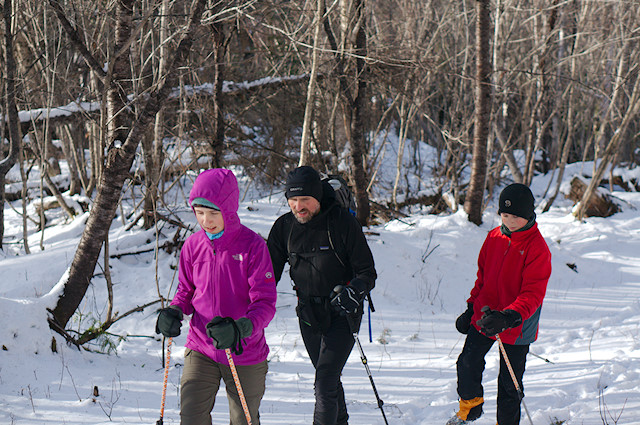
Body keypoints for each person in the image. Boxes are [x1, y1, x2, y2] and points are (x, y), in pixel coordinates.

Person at [155, 168, 277, 425]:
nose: (206, 220)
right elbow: (186, 292)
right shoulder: (192, 245)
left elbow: (265, 303)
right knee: (191, 418)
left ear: (229, 210)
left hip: (244, 349)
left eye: (213, 213)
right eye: (199, 213)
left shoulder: (253, 246)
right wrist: (174, 311)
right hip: (202, 346)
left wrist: (241, 328)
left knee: (243, 420)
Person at [267, 166, 377, 425]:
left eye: (304, 199)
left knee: (324, 379)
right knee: (327, 377)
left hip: (343, 312)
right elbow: (267, 275)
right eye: (292, 200)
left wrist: (354, 292)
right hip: (308, 314)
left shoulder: (342, 223)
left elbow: (367, 272)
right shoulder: (284, 228)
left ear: (318, 196)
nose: (298, 206)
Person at [447, 183, 552, 425]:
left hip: (517, 322)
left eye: (516, 216)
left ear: (528, 215)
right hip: (485, 314)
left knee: (509, 384)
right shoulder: (493, 237)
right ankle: (471, 408)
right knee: (467, 363)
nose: (510, 221)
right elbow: (482, 278)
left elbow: (533, 293)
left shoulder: (537, 248)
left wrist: (509, 316)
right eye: (505, 215)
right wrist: (471, 307)